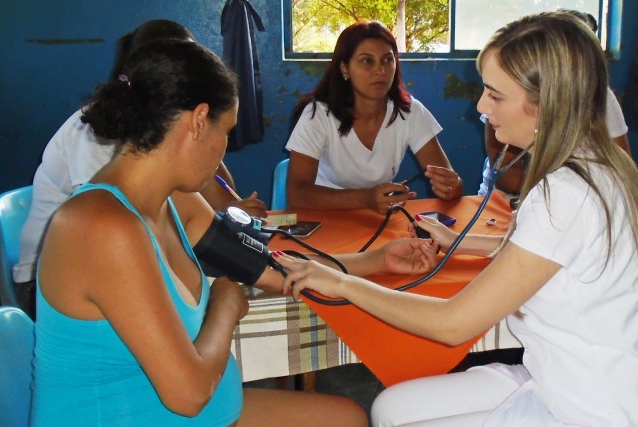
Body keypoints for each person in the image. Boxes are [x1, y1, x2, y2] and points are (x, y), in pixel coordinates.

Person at [276, 11, 638, 426]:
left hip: (592, 410)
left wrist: (341, 281)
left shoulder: (565, 194)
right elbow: (545, 256)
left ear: (545, 104)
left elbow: (452, 323)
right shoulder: (588, 169)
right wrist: (461, 242)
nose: (482, 106)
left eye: (495, 95)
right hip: (558, 380)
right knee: (390, 408)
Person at [32, 38, 427, 426]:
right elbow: (188, 395)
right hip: (143, 414)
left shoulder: (174, 201)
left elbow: (267, 267)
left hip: (195, 408)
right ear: (198, 121)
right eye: (226, 132)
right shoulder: (100, 225)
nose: (223, 151)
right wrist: (224, 304)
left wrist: (372, 261)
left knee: (348, 417)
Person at [12, 20, 267, 318]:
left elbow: (210, 202)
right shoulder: (96, 135)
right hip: (52, 283)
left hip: (121, 259)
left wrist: (203, 140)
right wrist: (223, 306)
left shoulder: (174, 129)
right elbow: (111, 237)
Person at [285, 21, 463, 214]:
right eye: (367, 61)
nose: (380, 71)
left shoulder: (410, 112)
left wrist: (452, 186)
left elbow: (450, 180)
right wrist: (365, 199)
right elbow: (297, 194)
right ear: (345, 69)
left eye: (387, 60)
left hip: (376, 217)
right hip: (325, 215)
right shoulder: (318, 114)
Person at [478, 9, 630, 199]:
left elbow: (620, 166)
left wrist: (558, 182)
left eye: (495, 97)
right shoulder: (559, 188)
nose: (481, 107)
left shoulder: (563, 190)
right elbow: (507, 177)